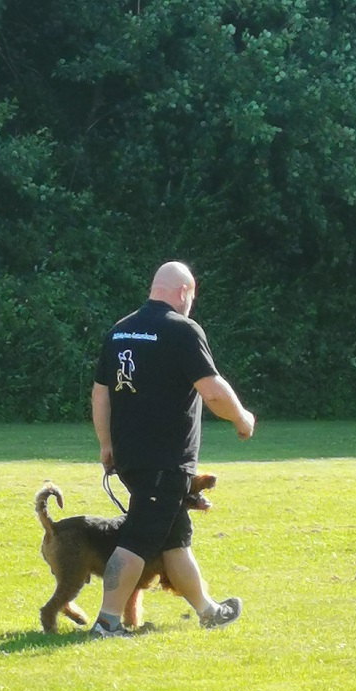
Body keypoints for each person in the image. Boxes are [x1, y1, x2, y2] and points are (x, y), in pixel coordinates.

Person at [91, 261, 255, 637]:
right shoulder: (182, 330)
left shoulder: (120, 331)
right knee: (137, 539)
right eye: (192, 297)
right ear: (183, 292)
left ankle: (208, 611)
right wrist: (242, 418)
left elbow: (100, 394)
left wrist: (106, 445)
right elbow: (212, 390)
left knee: (174, 539)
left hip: (131, 457)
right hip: (165, 461)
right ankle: (107, 622)